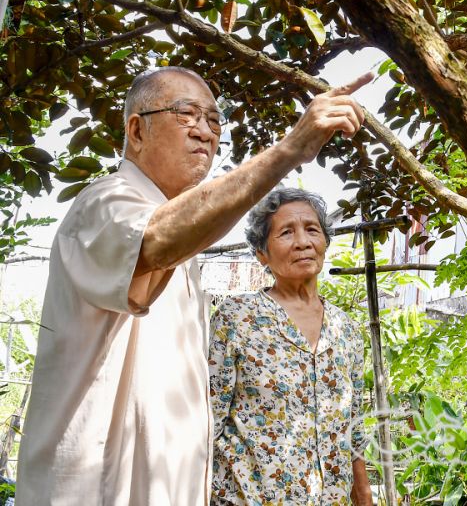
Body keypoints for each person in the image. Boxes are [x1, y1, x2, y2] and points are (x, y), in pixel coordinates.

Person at [16, 66, 371, 505]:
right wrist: (291, 149)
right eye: (187, 113)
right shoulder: (105, 204)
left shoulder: (190, 257)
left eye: (214, 120)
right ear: (136, 130)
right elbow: (156, 241)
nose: (205, 131)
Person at [209, 188, 373, 505]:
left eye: (312, 229)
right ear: (262, 253)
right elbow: (207, 425)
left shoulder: (346, 330)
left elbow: (352, 428)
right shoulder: (237, 319)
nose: (302, 242)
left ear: (325, 241)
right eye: (286, 232)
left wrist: (364, 497)